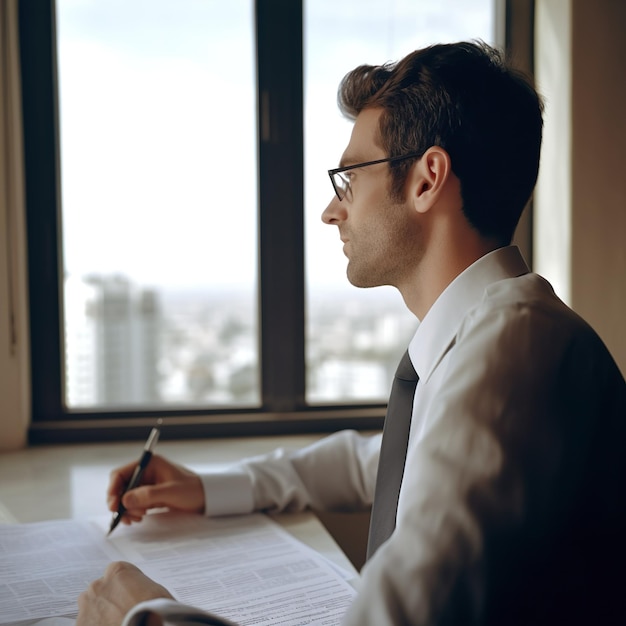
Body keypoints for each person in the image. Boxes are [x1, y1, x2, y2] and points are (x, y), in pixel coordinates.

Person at [77, 41, 626, 625]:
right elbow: (376, 463)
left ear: (426, 180)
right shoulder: (491, 334)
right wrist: (210, 487)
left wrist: (150, 618)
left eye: (348, 178)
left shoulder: (514, 351)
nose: (331, 211)